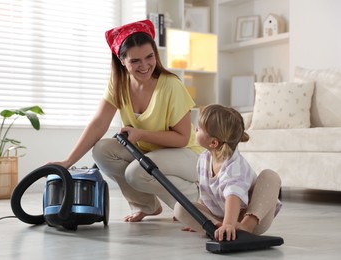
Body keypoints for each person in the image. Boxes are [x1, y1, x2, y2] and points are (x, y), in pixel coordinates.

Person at [49, 20, 203, 222]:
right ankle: (146, 205)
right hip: (150, 152)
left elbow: (182, 138)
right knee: (102, 151)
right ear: (122, 61)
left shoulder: (171, 85)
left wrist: (141, 134)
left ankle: (192, 204)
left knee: (136, 172)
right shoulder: (119, 83)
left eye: (149, 57)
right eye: (135, 61)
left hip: (186, 155)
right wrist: (68, 161)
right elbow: (98, 123)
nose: (145, 65)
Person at [173, 104, 282, 241]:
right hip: (222, 218)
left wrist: (230, 223)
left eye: (199, 128)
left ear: (213, 143)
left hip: (253, 219)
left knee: (270, 176)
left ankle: (244, 228)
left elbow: (233, 197)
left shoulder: (234, 166)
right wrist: (200, 218)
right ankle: (217, 229)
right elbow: (206, 195)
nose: (195, 129)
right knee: (180, 207)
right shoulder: (203, 159)